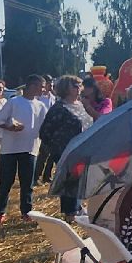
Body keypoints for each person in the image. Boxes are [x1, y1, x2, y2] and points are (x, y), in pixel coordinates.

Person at [0, 74, 49, 225]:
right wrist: (10, 127)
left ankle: (27, 211)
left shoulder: (41, 106)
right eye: (41, 86)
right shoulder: (14, 102)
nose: (43, 89)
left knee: (27, 183)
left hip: (30, 148)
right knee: (6, 182)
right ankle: (0, 213)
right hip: (10, 149)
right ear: (31, 85)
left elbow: (45, 126)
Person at [38, 75, 93, 219]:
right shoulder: (59, 108)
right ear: (64, 88)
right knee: (70, 182)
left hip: (83, 150)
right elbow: (45, 132)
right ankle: (70, 213)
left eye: (78, 85)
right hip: (65, 152)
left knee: (79, 180)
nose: (78, 88)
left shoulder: (81, 105)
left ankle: (78, 207)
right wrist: (57, 148)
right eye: (73, 85)